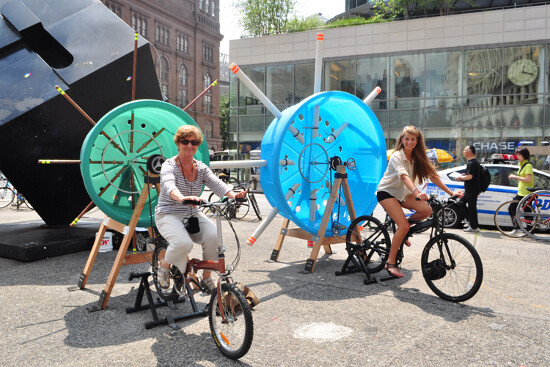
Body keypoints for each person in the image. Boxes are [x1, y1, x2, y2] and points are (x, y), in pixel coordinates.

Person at [155, 125, 247, 293]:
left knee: (214, 236)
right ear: (178, 143)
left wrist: (233, 195)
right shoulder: (169, 166)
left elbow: (216, 183)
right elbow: (169, 185)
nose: (190, 145)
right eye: (185, 141)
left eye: (194, 142)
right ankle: (164, 266)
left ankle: (206, 278)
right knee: (183, 243)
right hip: (169, 214)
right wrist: (181, 198)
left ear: (198, 145)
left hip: (192, 214)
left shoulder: (201, 167)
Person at [376, 126, 461, 278]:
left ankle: (404, 231)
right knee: (403, 225)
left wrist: (451, 192)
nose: (409, 142)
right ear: (402, 140)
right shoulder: (397, 156)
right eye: (406, 139)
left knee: (427, 210)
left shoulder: (419, 158)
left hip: (404, 194)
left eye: (413, 139)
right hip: (387, 192)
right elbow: (404, 176)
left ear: (417, 141)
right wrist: (417, 192)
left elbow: (434, 177)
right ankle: (390, 262)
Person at [507, 147, 534, 236]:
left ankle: (529, 231)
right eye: (517, 154)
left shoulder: (528, 166)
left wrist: (515, 177)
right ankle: (517, 228)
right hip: (521, 193)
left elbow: (528, 179)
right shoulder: (522, 165)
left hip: (526, 193)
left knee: (527, 213)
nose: (517, 156)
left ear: (524, 155)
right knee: (512, 208)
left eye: (519, 155)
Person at [456, 145, 481, 233]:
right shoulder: (473, 162)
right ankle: (471, 222)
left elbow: (470, 177)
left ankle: (473, 226)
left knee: (471, 207)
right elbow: (470, 175)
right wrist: (464, 174)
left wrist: (460, 177)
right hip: (471, 189)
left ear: (470, 152)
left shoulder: (472, 163)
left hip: (472, 189)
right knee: (461, 203)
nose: (463, 151)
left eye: (465, 150)